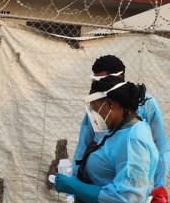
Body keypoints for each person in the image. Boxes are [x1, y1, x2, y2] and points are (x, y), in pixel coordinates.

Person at [73, 55, 170, 191]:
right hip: (98, 186)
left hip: (128, 189)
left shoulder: (142, 116)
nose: (96, 86)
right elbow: (84, 144)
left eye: (101, 81)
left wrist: (159, 185)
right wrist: (74, 182)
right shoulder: (97, 107)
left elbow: (160, 146)